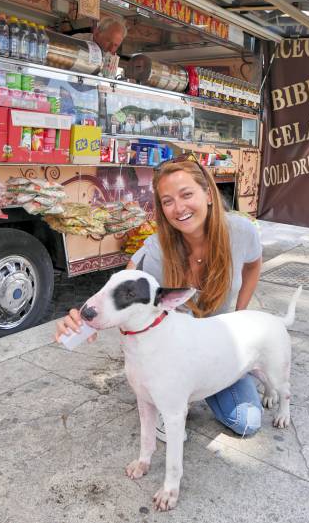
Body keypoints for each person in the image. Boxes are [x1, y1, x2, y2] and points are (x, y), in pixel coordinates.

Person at [55, 153, 263, 440]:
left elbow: (254, 265)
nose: (179, 208)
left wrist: (241, 314)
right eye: (167, 201)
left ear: (208, 194)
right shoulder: (155, 252)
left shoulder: (241, 232)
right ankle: (175, 397)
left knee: (247, 421)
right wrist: (80, 322)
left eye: (186, 194)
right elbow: (114, 293)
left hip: (219, 347)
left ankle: (226, 377)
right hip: (171, 356)